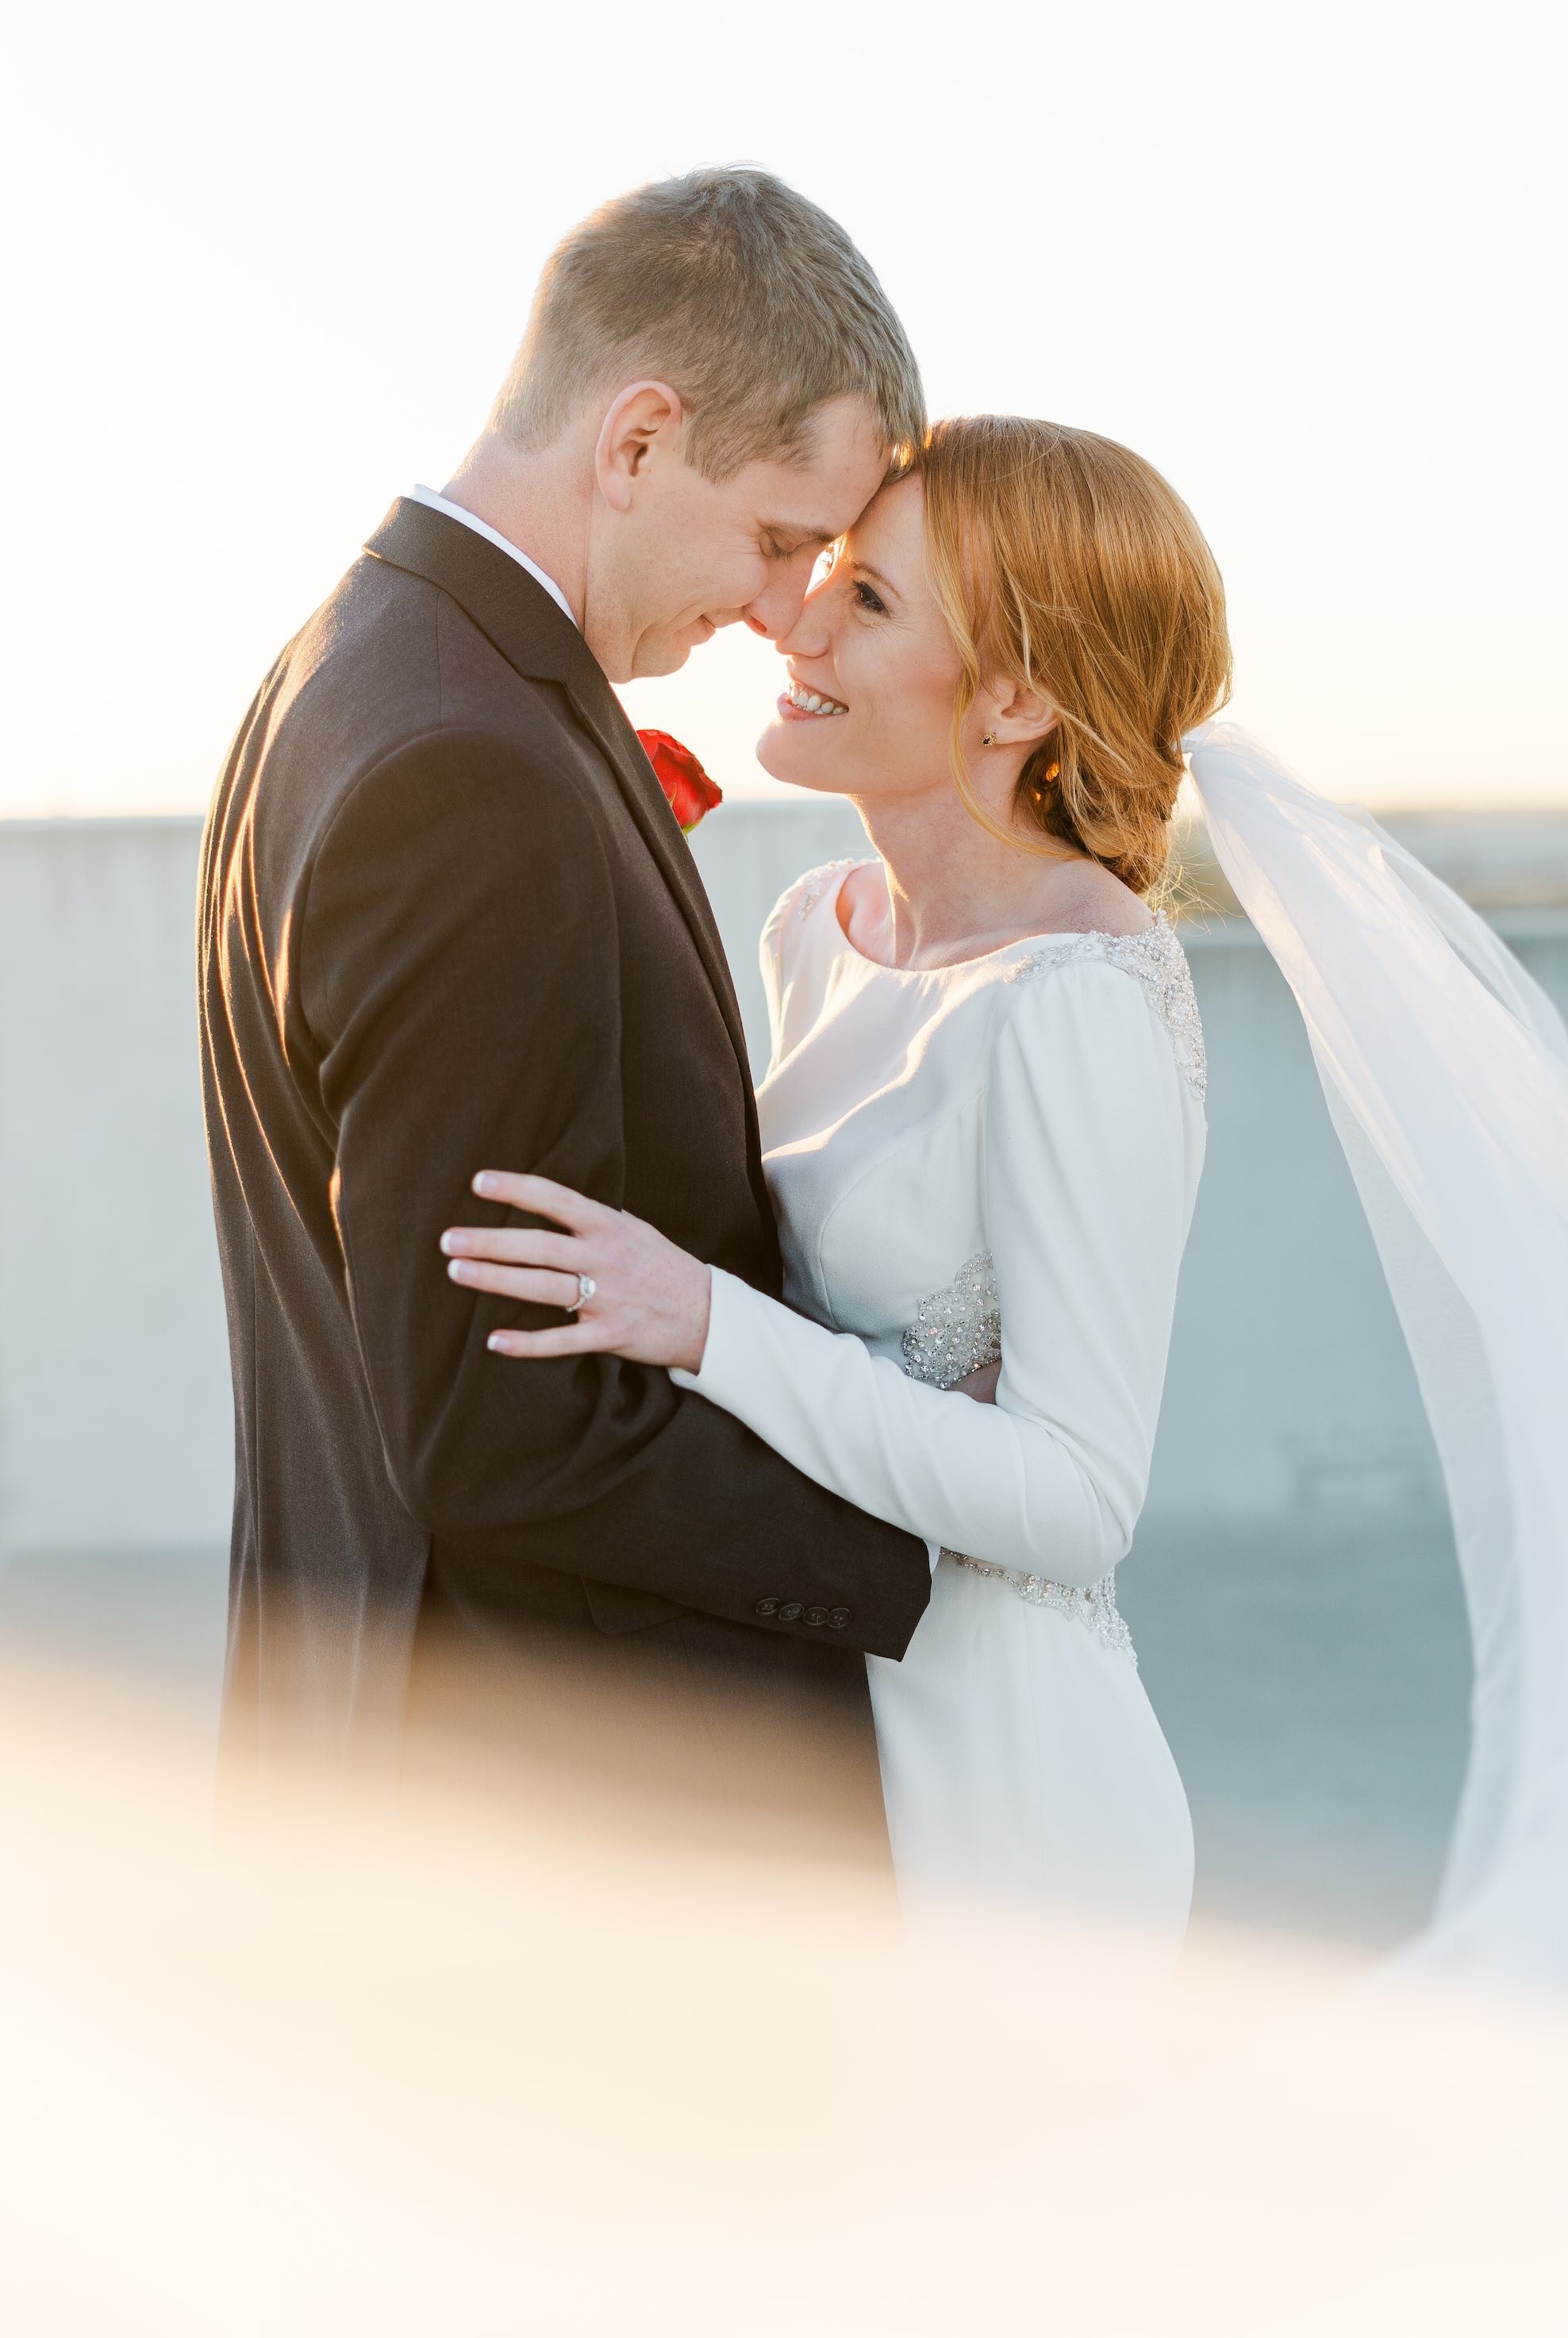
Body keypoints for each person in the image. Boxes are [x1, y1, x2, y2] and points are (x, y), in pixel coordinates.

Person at [198, 167, 936, 1852]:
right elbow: (503, 1429)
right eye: (772, 537)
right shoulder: (472, 770)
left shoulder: (347, 666)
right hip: (569, 1829)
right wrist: (934, 1545)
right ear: (635, 438)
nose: (777, 610)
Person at [442, 417, 1226, 1939]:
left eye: (867, 600)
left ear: (1019, 695)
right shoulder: (817, 926)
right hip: (796, 1736)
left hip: (1002, 1798)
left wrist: (711, 1324)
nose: (792, 617)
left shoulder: (1079, 999)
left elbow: (1077, 1497)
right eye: (827, 574)